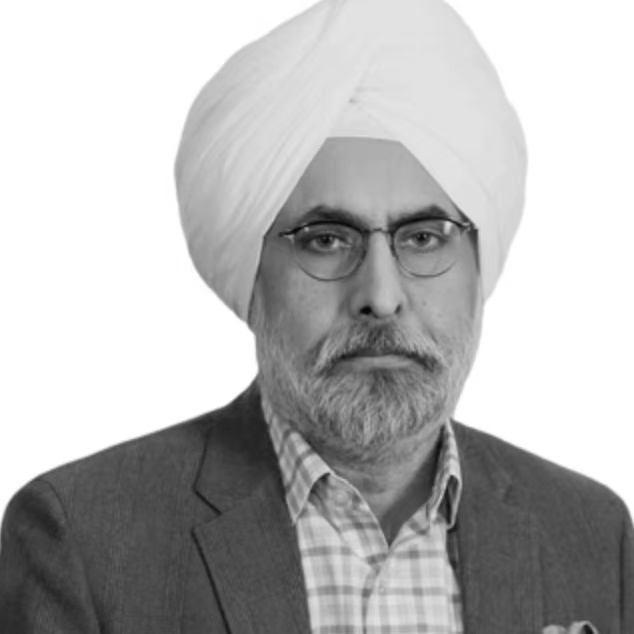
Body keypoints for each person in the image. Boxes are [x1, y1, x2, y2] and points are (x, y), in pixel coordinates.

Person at [0, 0, 631, 632]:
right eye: (326, 240)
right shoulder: (83, 540)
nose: (380, 295)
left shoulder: (592, 534)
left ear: (478, 264)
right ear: (252, 272)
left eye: (423, 238)